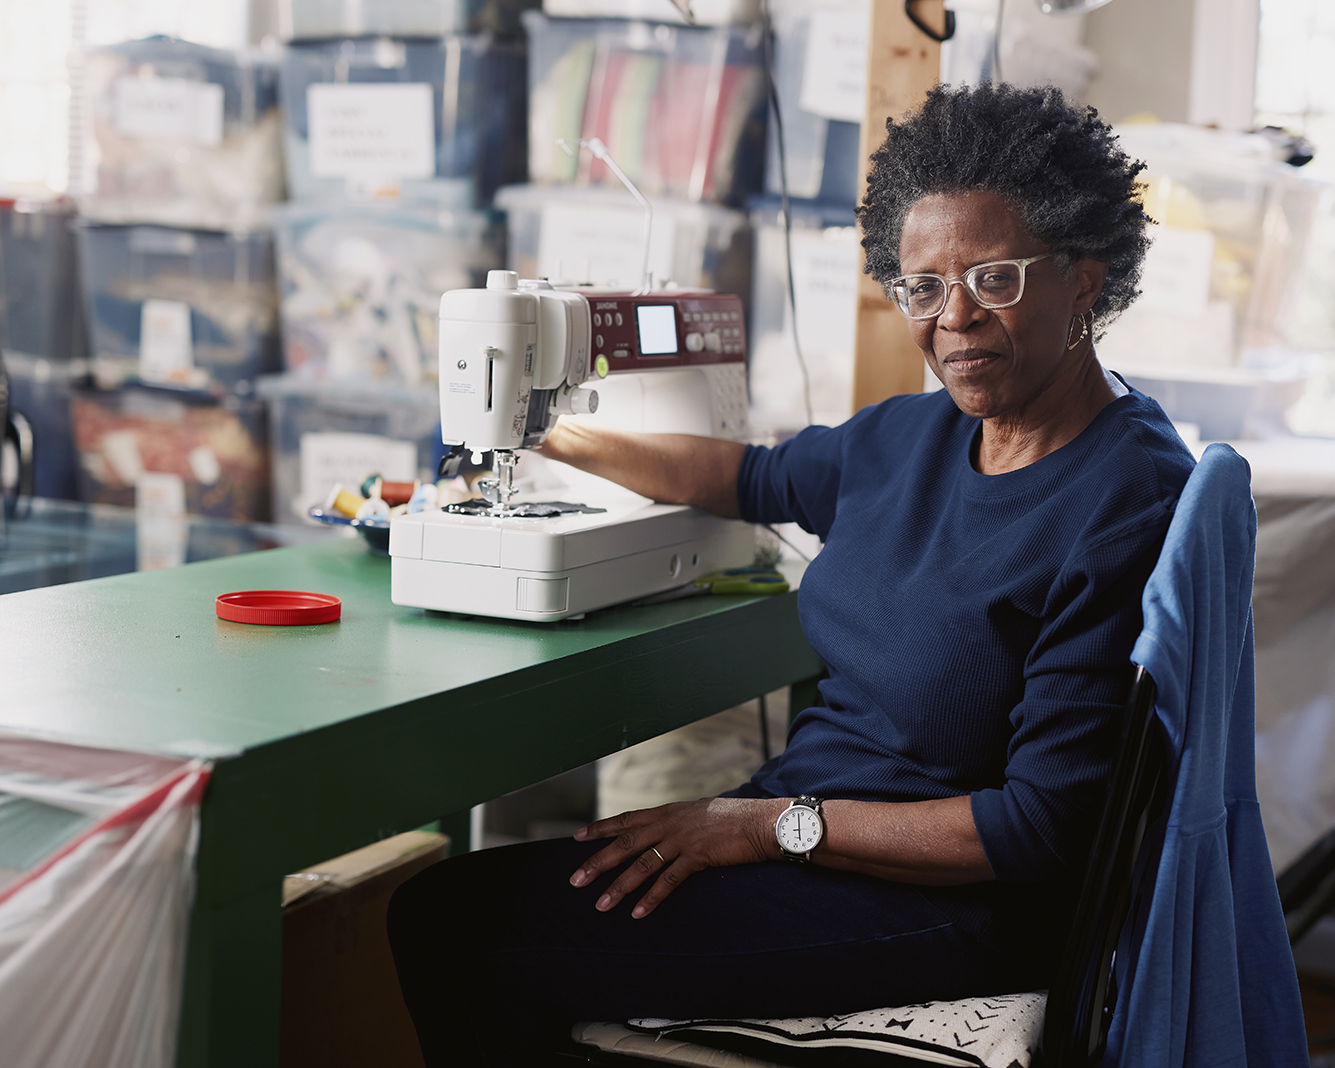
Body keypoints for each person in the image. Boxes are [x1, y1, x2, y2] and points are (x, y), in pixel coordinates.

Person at [386, 81, 1196, 1067]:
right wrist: (542, 426)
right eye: (923, 285)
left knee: (455, 922)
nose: (954, 319)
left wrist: (765, 826)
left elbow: (1035, 829)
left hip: (951, 898)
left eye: (994, 278)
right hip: (809, 831)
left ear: (1083, 276)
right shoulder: (918, 433)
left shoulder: (1125, 495)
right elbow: (745, 475)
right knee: (483, 902)